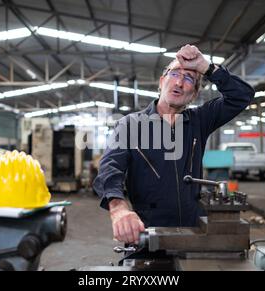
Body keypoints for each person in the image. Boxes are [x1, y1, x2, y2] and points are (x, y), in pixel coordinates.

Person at [93, 44, 255, 244]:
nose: (179, 82)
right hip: (146, 237)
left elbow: (242, 96)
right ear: (161, 82)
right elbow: (110, 168)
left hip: (194, 236)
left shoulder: (200, 120)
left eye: (189, 79)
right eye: (174, 74)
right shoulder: (130, 125)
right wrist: (118, 209)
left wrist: (206, 67)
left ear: (194, 94)